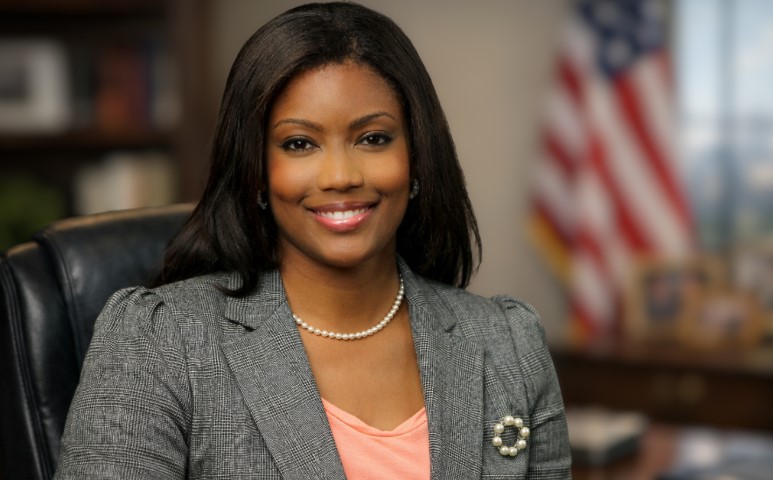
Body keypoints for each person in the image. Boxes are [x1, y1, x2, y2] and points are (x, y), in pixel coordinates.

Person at [54, 2, 571, 478]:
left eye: (373, 138)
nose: (341, 176)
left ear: (416, 158)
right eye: (299, 144)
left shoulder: (508, 344)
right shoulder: (161, 342)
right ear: (256, 171)